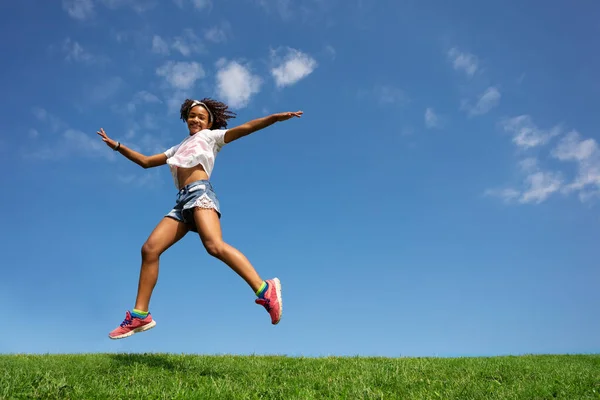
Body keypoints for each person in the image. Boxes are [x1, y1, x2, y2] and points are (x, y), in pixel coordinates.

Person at [97, 98, 302, 340]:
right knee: (150, 249)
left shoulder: (211, 137)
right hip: (182, 202)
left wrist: (274, 118)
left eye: (201, 117)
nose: (195, 119)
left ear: (210, 122)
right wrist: (118, 146)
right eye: (192, 115)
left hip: (200, 193)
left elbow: (245, 128)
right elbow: (146, 162)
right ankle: (140, 314)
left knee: (214, 246)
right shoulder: (177, 147)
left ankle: (265, 289)